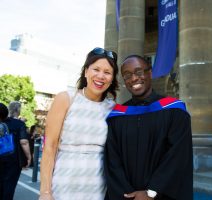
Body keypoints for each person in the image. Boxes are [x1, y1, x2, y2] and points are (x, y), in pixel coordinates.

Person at [104, 55, 193, 200]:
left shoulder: (174, 111)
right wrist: (127, 194)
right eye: (127, 75)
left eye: (139, 72)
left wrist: (152, 192)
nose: (133, 79)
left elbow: (178, 156)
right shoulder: (118, 116)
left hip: (161, 195)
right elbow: (112, 160)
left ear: (149, 73)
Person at [39, 47, 118, 200]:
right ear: (86, 71)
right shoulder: (66, 99)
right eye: (96, 69)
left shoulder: (113, 108)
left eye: (107, 72)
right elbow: (50, 147)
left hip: (98, 188)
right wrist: (45, 192)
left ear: (112, 78)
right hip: (63, 184)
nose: (101, 76)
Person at [0, 102, 31, 200]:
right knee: (9, 185)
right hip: (13, 159)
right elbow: (24, 142)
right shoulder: (19, 124)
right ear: (18, 110)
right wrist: (29, 157)